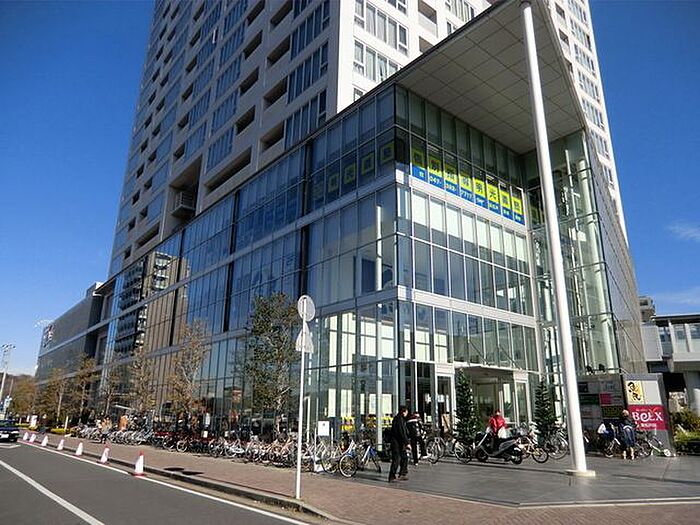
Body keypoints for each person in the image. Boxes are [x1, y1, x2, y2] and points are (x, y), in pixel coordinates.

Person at [388, 406, 410, 483]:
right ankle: (392, 476)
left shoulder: (400, 419)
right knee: (396, 459)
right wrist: (407, 443)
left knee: (404, 458)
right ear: (403, 412)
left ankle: (402, 473)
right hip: (396, 443)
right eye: (406, 412)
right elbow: (401, 432)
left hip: (400, 443)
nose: (407, 414)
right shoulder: (399, 419)